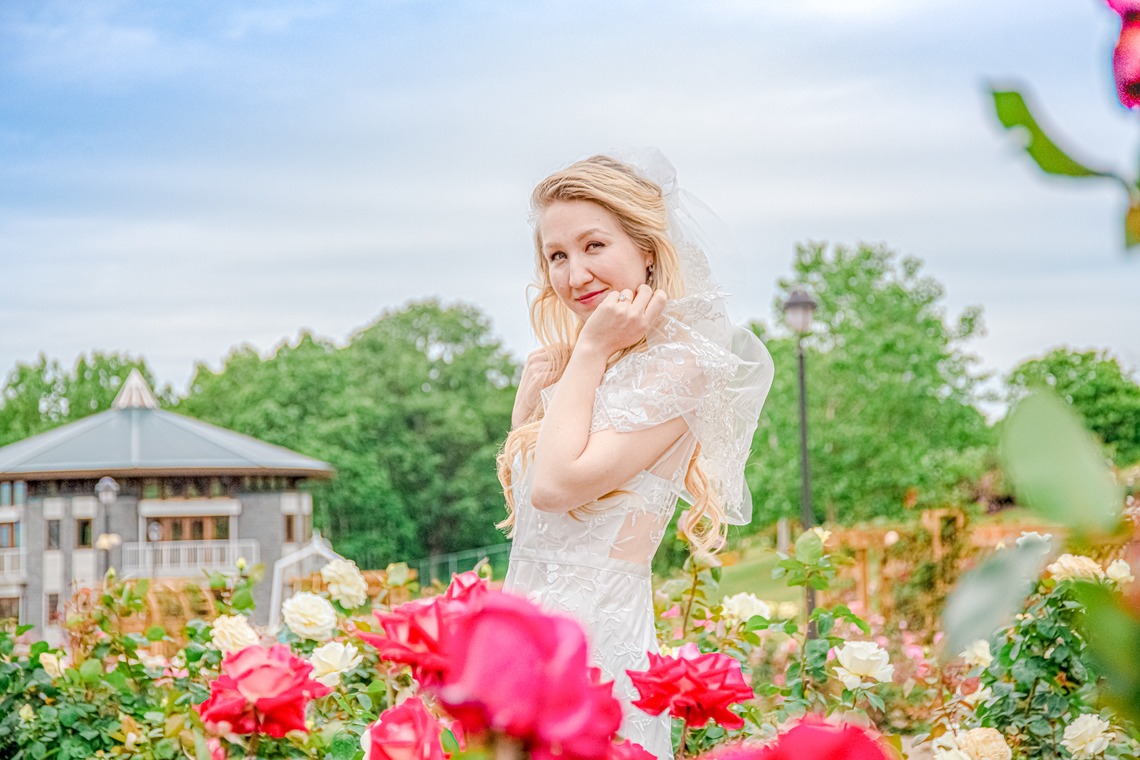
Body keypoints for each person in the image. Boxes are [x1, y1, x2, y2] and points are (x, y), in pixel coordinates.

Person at [497, 151, 773, 759]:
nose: (574, 275)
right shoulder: (582, 363)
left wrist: (590, 351)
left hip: (594, 639)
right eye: (557, 256)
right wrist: (527, 411)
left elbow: (558, 488)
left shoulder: (684, 366)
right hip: (522, 628)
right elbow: (534, 518)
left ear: (647, 248)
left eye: (595, 245)